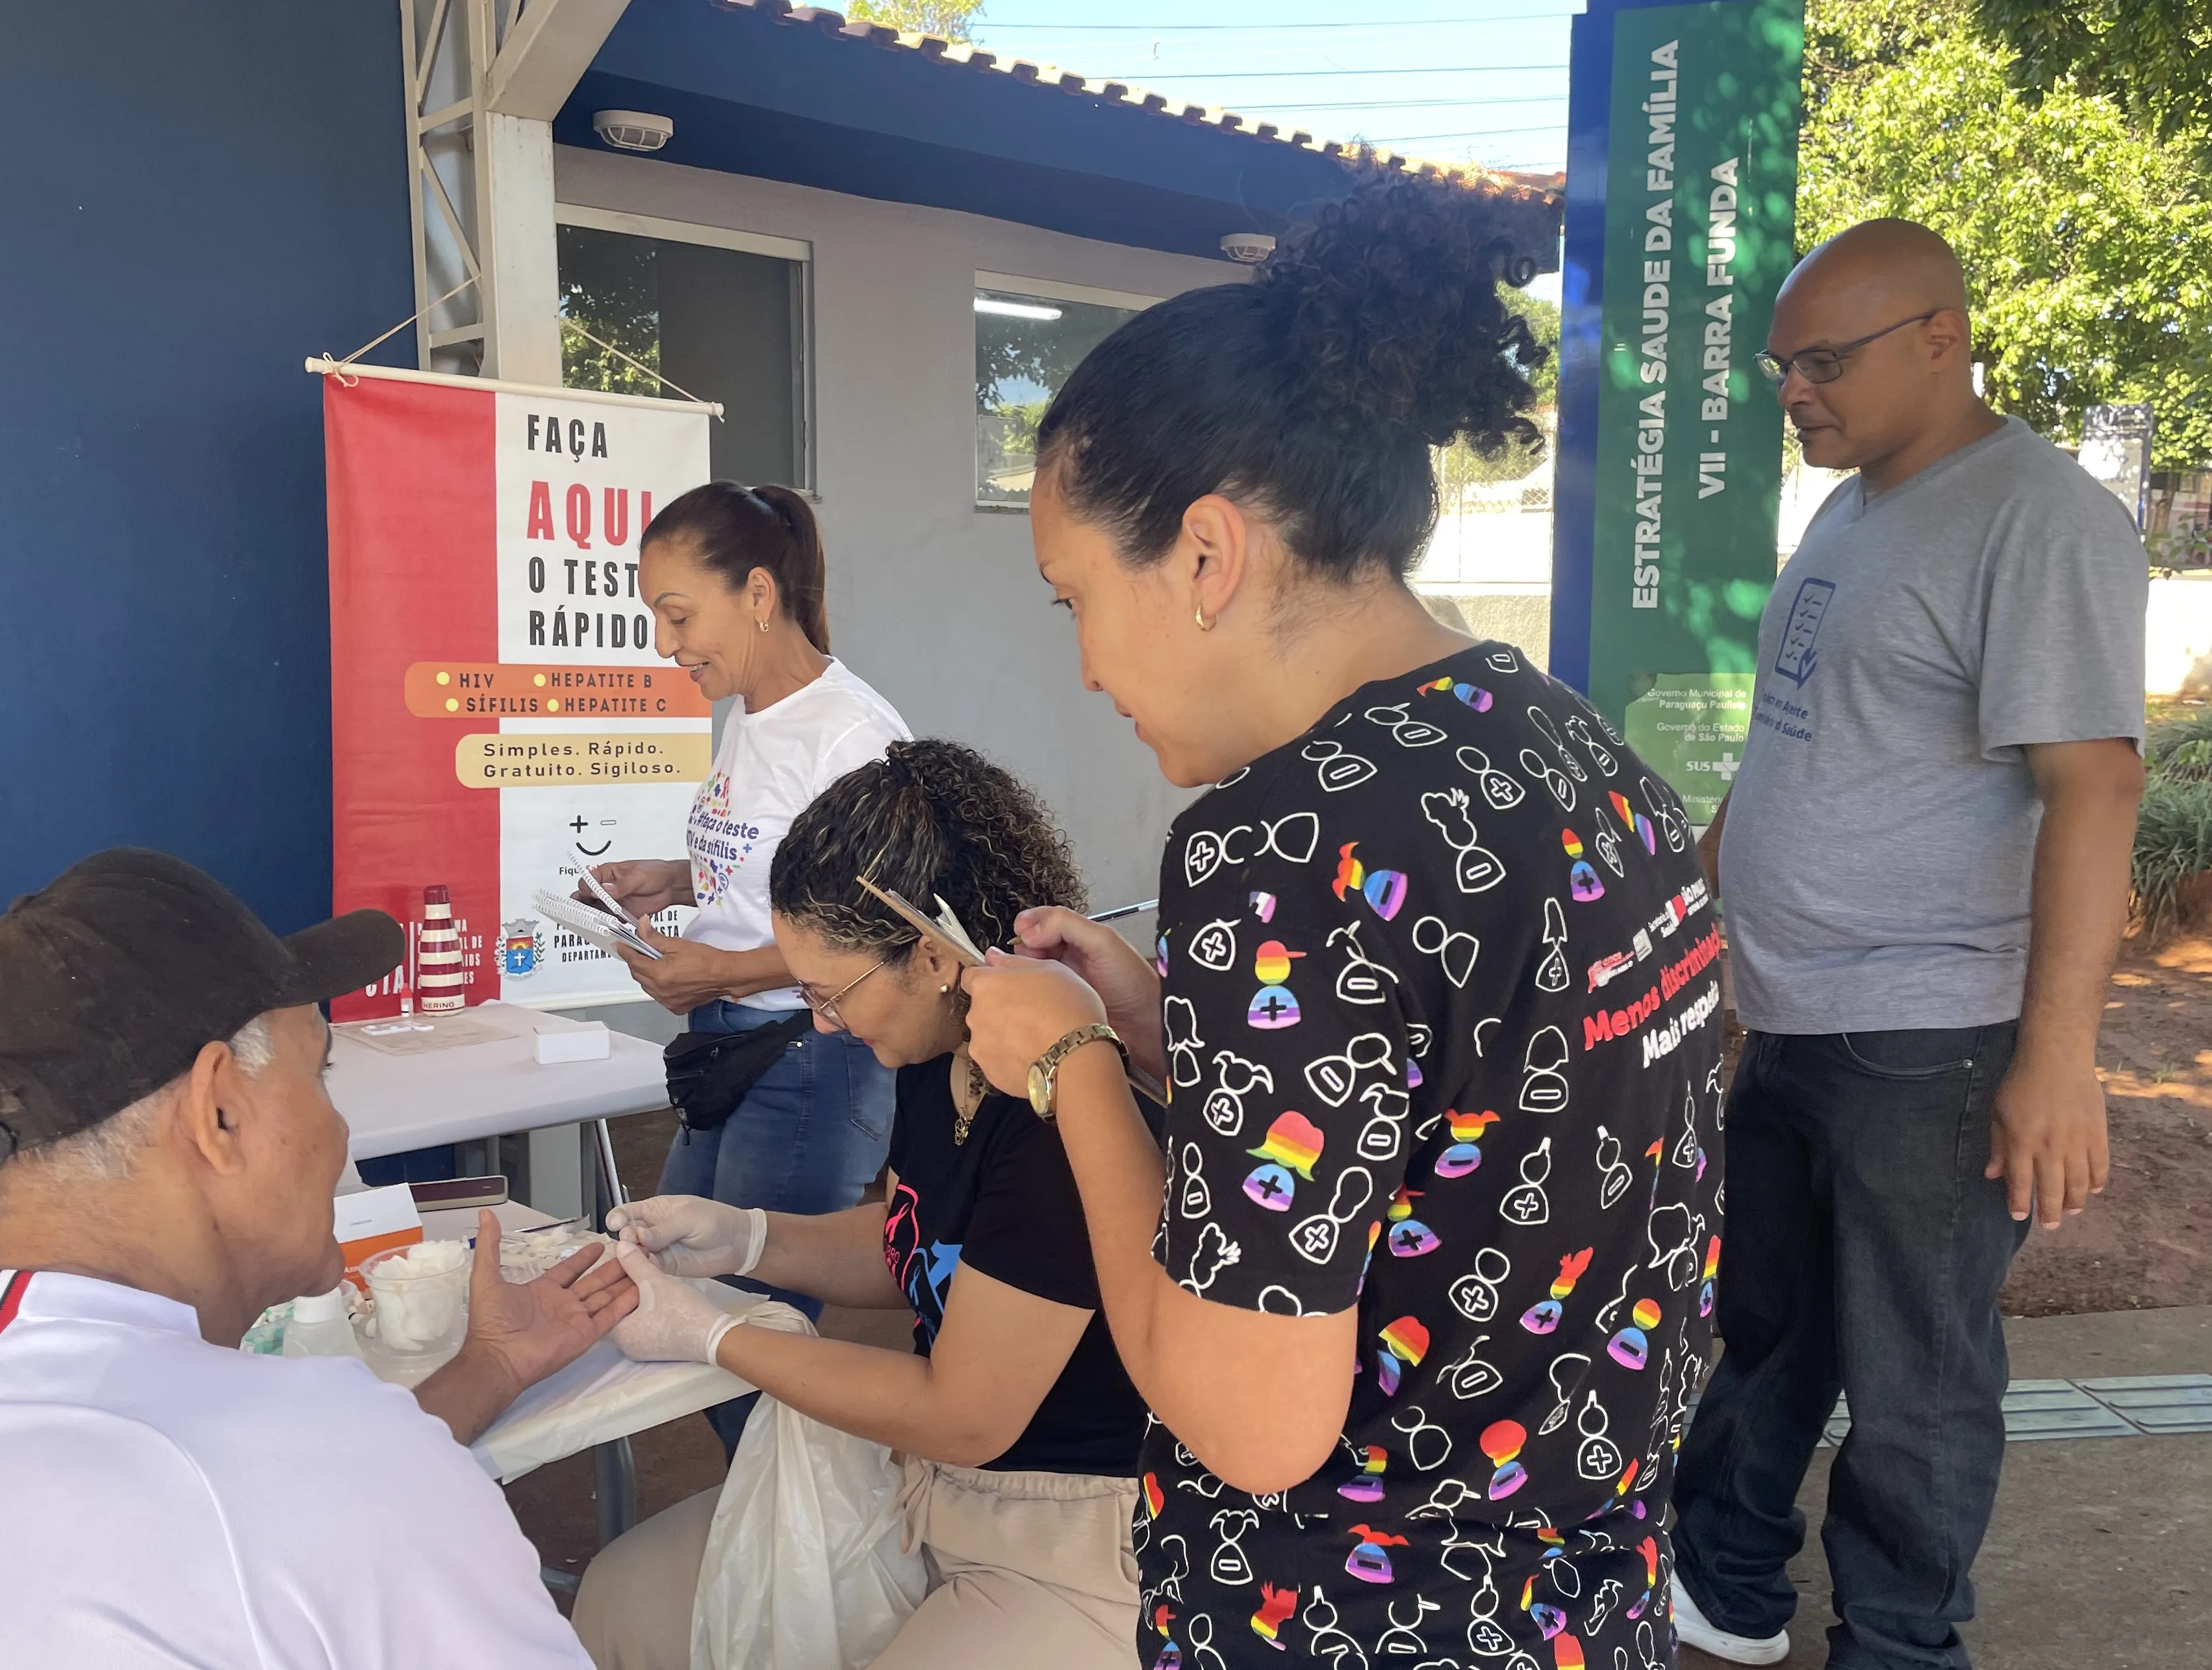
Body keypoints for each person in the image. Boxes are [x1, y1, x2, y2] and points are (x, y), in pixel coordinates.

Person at [954, 175, 1727, 1666]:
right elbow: (1469, 1154)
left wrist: (1074, 1075)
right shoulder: (1578, 757)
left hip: (1357, 1616)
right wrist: (1164, 1030)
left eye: (1071, 600)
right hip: (1580, 1605)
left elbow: (1252, 1421)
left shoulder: (1279, 850)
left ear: (1202, 556)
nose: (1085, 669)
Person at [0, 849, 638, 1668]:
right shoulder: (338, 1463)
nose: (335, 1128)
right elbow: (290, 1497)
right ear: (218, 1113)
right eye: (318, 1074)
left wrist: (490, 1366)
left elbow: (256, 1502)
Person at [1667, 220, 2149, 1670]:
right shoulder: (1857, 507)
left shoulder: (2035, 518)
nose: (1794, 392)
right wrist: (1706, 908)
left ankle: (1897, 1642)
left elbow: (2096, 782)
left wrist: (2056, 1058)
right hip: (1797, 1012)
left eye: (1823, 360)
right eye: (1780, 367)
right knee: (1769, 1332)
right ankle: (1728, 1589)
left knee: (1913, 1381)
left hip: (1931, 1041)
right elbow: (1796, 740)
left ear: (1939, 335)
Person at [573, 741, 1150, 1670]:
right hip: (932, 1482)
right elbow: (916, 1243)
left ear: (928, 955)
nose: (824, 1023)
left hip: (1071, 1528)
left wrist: (709, 1336)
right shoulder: (932, 1052)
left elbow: (965, 1410)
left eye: (827, 992)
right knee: (627, 1597)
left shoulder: (1060, 1111)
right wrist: (746, 1238)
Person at [585, 485, 909, 1333]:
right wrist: (676, 878)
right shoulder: (749, 714)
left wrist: (722, 969)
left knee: (743, 1329)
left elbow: (885, 931)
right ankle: (763, 1471)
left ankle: (794, 1471)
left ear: (758, 594)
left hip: (809, 1058)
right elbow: (794, 879)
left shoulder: (849, 737)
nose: (666, 645)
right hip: (735, 1046)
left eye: (678, 616)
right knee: (685, 1294)